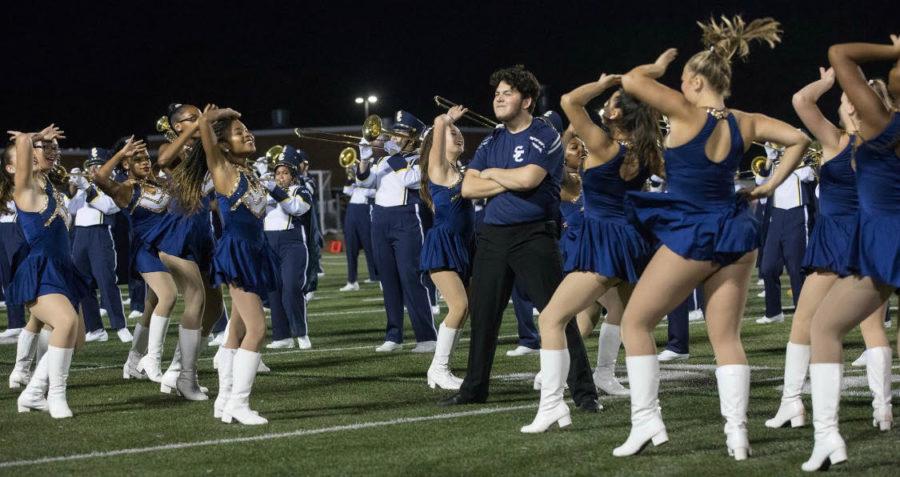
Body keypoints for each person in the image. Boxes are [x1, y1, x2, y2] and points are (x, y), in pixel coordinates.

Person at [614, 16, 810, 460]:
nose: (680, 88)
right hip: (737, 231)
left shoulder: (686, 111)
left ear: (698, 82)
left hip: (694, 231)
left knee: (635, 323)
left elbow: (630, 82)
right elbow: (798, 138)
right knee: (726, 338)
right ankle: (737, 435)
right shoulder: (748, 120)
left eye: (684, 81)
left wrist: (658, 65)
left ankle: (646, 420)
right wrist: (769, 184)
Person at [439, 65, 599, 412]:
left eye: (507, 92)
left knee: (559, 315)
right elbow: (468, 187)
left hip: (534, 235)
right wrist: (510, 178)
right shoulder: (493, 139)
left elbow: (530, 180)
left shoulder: (546, 134)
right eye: (496, 92)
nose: (498, 97)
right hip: (493, 237)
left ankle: (585, 393)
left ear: (527, 100)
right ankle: (474, 389)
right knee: (484, 316)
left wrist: (497, 176)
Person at [522, 74, 661, 432]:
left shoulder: (603, 144)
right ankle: (649, 416)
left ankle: (552, 406)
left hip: (604, 242)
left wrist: (604, 83)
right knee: (635, 326)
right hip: (633, 242)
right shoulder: (647, 151)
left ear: (615, 115)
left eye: (611, 103)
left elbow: (569, 100)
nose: (605, 106)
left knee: (551, 319)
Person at [766, 68, 894, 435]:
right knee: (872, 327)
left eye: (842, 100)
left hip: (834, 237)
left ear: (852, 106)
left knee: (805, 322)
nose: (838, 105)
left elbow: (801, 102)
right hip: (869, 239)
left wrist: (826, 81)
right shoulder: (885, 144)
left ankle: (793, 403)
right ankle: (882, 409)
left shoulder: (836, 140)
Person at [800, 36, 900, 472]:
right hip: (880, 237)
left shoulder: (881, 121)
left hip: (885, 238)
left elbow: (839, 52)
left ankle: (828, 437)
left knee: (823, 327)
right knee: (827, 326)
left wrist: (893, 50)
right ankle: (829, 438)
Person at [198, 105, 279, 425]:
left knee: (238, 330)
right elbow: (207, 140)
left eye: (247, 129)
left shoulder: (250, 171)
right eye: (238, 132)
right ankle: (239, 403)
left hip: (255, 249)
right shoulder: (223, 169)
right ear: (223, 145)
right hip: (238, 250)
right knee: (257, 329)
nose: (247, 134)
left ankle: (224, 401)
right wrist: (209, 120)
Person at [7, 125, 89, 418]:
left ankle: (31, 393)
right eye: (46, 148)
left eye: (56, 147)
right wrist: (30, 139)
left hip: (64, 269)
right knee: (65, 322)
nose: (53, 152)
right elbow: (21, 146)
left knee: (75, 338)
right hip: (40, 270)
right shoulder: (25, 188)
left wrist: (42, 144)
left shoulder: (50, 186)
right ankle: (56, 396)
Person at [92, 137, 184, 390]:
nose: (145, 162)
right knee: (168, 297)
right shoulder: (125, 189)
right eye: (137, 159)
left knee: (151, 305)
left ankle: (132, 361)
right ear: (125, 163)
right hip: (146, 251)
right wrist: (121, 151)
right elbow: (99, 178)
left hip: (168, 249)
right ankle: (152, 361)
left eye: (146, 158)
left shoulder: (162, 183)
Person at [356, 111, 437, 352]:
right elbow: (364, 184)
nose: (394, 136)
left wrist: (392, 154)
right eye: (395, 132)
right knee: (388, 280)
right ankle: (393, 336)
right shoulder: (384, 160)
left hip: (406, 220)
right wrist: (364, 159)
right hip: (379, 219)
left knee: (411, 278)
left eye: (401, 133)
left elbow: (411, 181)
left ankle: (427, 337)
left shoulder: (420, 159)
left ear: (413, 138)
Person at [418, 105, 475, 389]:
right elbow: (439, 122)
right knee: (459, 305)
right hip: (442, 245)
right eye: (453, 133)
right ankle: (438, 369)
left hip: (466, 245)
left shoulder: (459, 169)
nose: (459, 135)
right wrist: (445, 121)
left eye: (459, 131)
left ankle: (444, 368)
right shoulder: (438, 168)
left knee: (466, 309)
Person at [71, 147, 132, 343]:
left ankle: (120, 326)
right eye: (91, 166)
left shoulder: (115, 184)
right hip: (80, 234)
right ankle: (95, 328)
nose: (93, 170)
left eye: (98, 165)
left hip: (100, 232)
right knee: (81, 282)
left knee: (106, 280)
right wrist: (75, 189)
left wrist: (89, 189)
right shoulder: (85, 186)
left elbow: (108, 206)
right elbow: (71, 209)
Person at [755, 144, 816, 324]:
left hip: (797, 213)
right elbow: (760, 182)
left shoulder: (805, 162)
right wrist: (769, 159)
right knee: (768, 267)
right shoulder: (775, 163)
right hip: (776, 214)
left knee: (797, 269)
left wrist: (791, 158)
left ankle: (803, 313)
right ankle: (773, 312)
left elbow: (807, 176)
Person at [262, 146, 313, 350]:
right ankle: (282, 336)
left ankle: (301, 333)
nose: (280, 177)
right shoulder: (267, 192)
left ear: (293, 176)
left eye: (285, 173)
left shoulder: (301, 191)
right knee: (274, 290)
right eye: (277, 173)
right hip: (269, 242)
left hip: (292, 244)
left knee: (291, 287)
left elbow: (295, 208)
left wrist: (273, 190)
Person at [340, 162, 377, 291]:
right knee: (350, 246)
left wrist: (362, 181)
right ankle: (352, 280)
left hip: (366, 208)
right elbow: (346, 191)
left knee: (369, 245)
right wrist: (352, 177)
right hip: (352, 209)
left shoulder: (374, 172)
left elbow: (371, 192)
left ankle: (375, 275)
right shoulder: (357, 175)